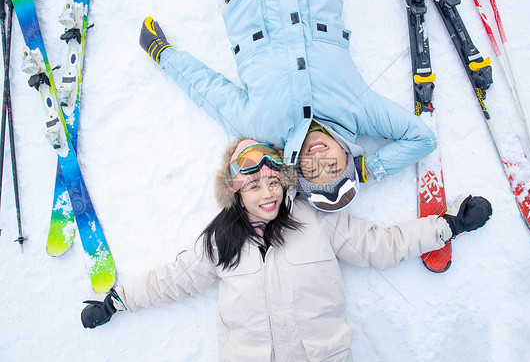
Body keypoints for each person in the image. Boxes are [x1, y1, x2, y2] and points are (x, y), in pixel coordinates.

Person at [81, 139, 492, 361]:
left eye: (273, 183)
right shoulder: (220, 242)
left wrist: (449, 225)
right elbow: (172, 280)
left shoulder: (317, 221)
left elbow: (380, 244)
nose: (267, 194)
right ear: (235, 192)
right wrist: (116, 301)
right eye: (254, 185)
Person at [138, 0, 439, 212]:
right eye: (333, 166)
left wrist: (163, 54)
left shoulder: (261, 127)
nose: (320, 158)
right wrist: (367, 170)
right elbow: (423, 139)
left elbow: (208, 90)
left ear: (296, 169)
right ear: (348, 157)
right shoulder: (360, 110)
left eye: (312, 170)